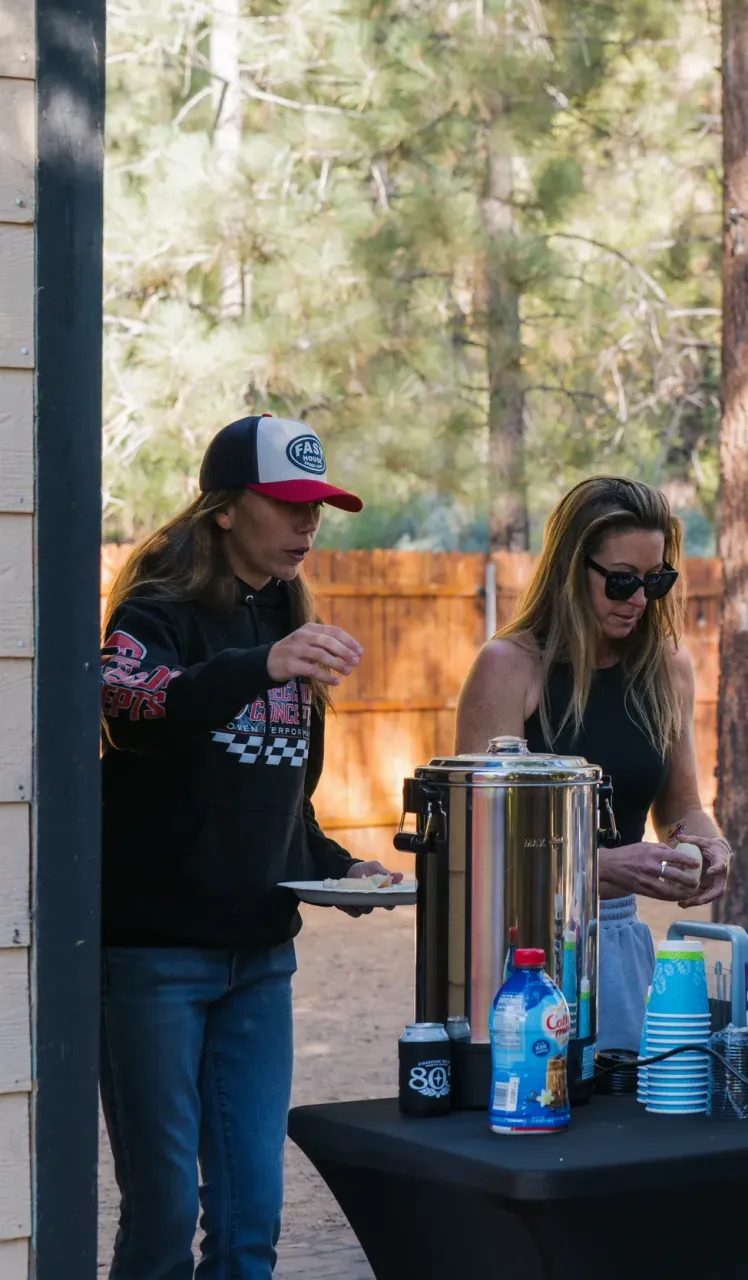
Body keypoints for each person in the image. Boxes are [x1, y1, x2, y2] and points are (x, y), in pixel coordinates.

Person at [99, 414, 400, 1280]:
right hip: (155, 959)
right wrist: (265, 665)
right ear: (227, 508)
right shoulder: (156, 613)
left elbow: (278, 806)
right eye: (288, 503)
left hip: (261, 963)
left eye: (319, 507)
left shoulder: (282, 616)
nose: (308, 523)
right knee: (162, 1216)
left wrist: (343, 869)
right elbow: (137, 709)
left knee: (248, 1221)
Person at [456, 476, 730, 1055]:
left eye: (656, 581)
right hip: (521, 953)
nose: (639, 600)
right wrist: (594, 865)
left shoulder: (667, 669)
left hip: (621, 943)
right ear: (570, 568)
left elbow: (681, 809)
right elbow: (479, 844)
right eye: (623, 581)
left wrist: (708, 848)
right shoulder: (510, 667)